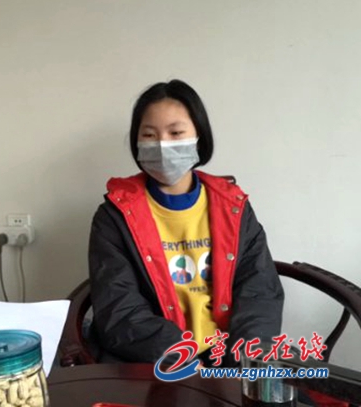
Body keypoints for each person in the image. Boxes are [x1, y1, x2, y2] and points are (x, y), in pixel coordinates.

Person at [88, 79, 284, 367]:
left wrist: (244, 361)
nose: (162, 145)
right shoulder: (113, 217)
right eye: (149, 134)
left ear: (199, 137)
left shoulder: (234, 207)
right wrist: (183, 358)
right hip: (156, 360)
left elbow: (259, 291)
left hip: (229, 356)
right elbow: (119, 309)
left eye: (176, 133)